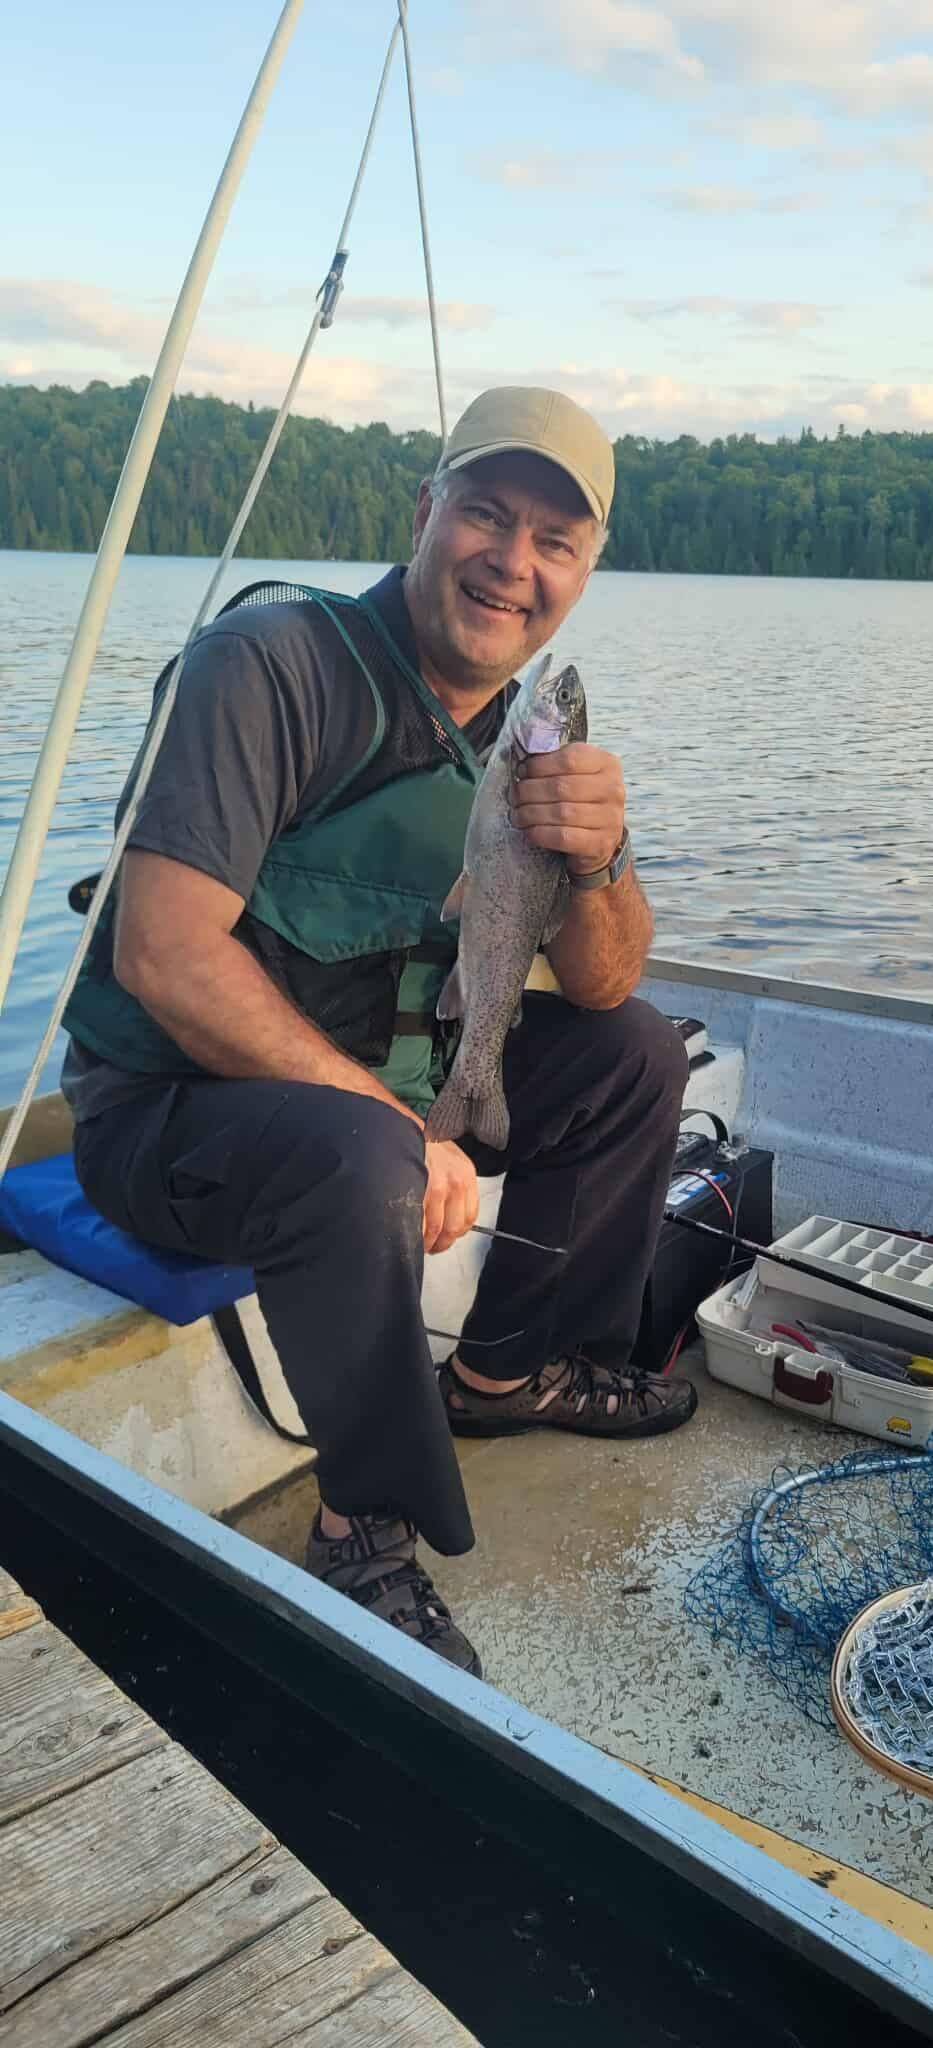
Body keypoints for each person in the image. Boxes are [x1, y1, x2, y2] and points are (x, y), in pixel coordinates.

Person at [61, 387, 697, 1679]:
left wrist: (602, 856)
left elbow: (605, 982)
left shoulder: (527, 741)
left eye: (554, 542)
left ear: (583, 574)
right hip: (168, 1117)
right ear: (425, 513)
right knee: (366, 1155)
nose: (512, 563)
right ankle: (362, 1532)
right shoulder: (266, 671)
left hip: (397, 1079)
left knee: (635, 1056)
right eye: (484, 514)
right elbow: (160, 952)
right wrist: (388, 1115)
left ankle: (510, 1375)